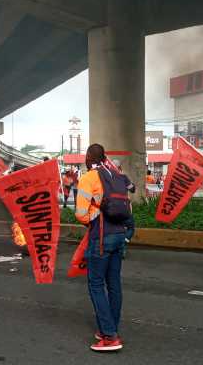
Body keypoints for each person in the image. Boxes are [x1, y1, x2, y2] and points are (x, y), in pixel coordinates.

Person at [75, 144, 127, 352]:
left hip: (101, 236)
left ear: (89, 157)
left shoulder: (89, 178)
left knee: (96, 284)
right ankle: (111, 327)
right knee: (114, 283)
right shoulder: (115, 174)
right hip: (119, 235)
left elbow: (80, 213)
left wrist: (91, 220)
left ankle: (109, 336)